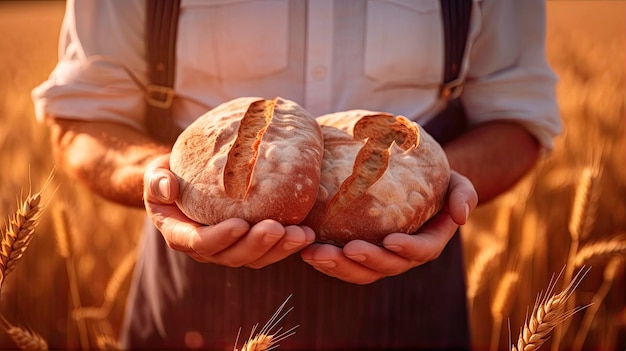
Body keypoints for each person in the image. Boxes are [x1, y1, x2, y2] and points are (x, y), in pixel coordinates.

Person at [32, 0, 561, 350]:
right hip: (195, 280)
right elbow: (82, 119)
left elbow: (517, 116)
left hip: (412, 277)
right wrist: (159, 180)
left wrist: (434, 190)